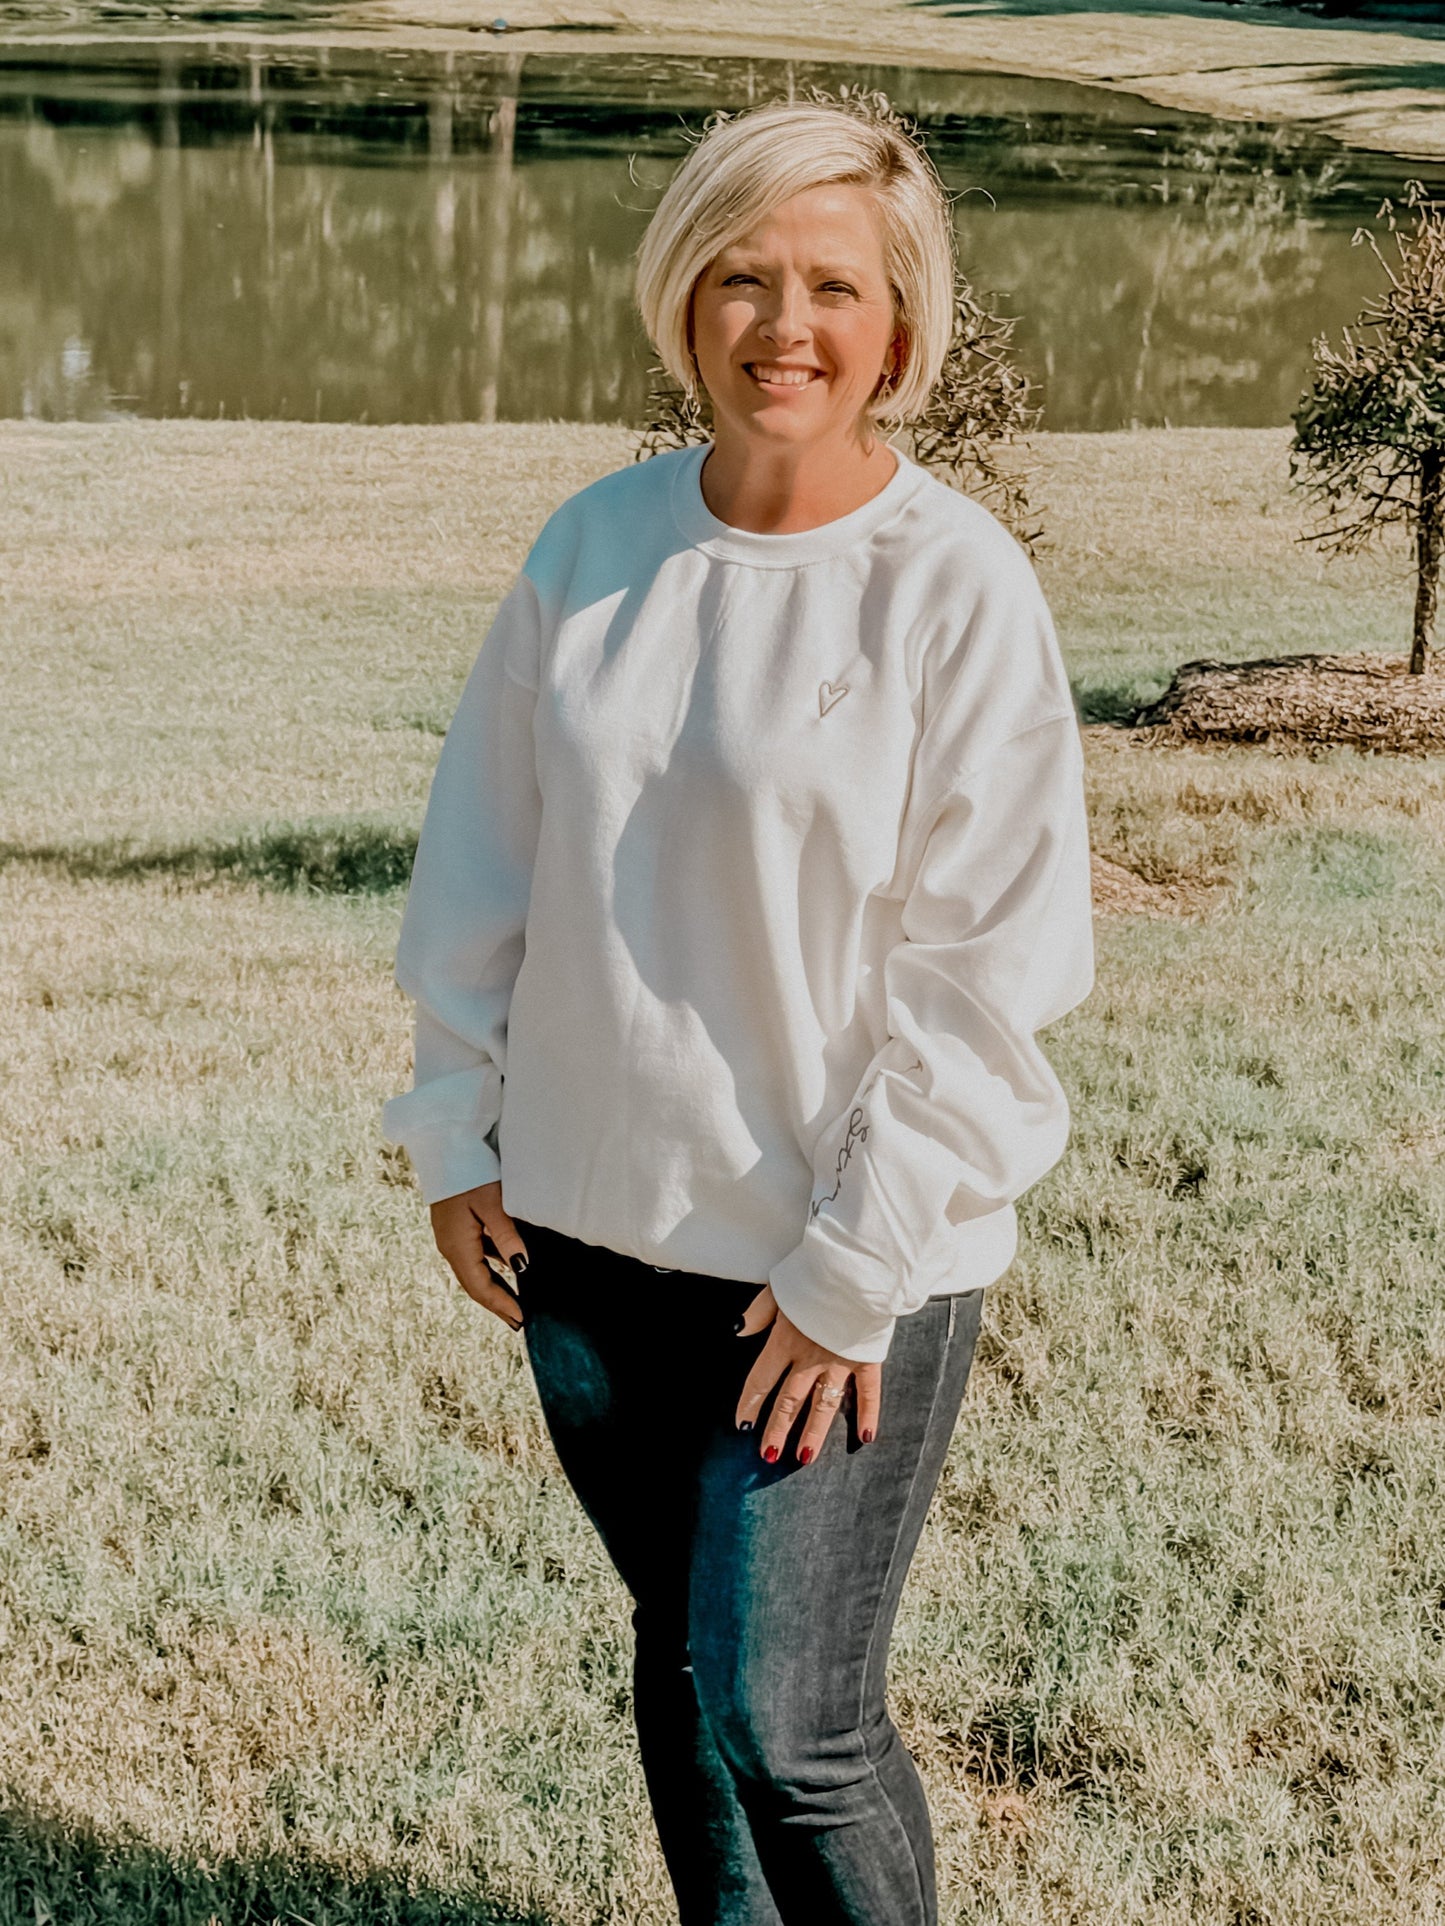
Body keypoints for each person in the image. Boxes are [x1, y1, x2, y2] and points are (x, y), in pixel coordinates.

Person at [381, 91, 1095, 1926]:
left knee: (795, 1721)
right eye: (744, 275)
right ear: (683, 300)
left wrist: (857, 1267)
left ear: (901, 327)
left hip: (834, 1264)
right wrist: (456, 1124)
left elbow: (991, 972)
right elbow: (485, 858)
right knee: (685, 1672)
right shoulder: (593, 549)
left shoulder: (954, 588)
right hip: (588, 1241)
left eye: (834, 286)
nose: (787, 324)